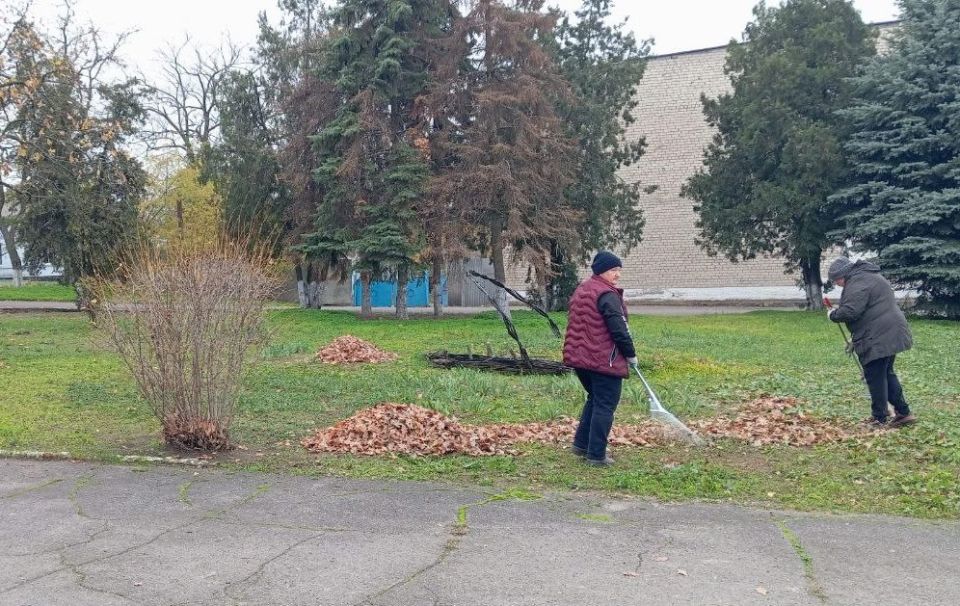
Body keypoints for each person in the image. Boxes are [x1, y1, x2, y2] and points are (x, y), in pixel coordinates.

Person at [562, 251, 638, 466]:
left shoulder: (583, 289)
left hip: (579, 358)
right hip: (603, 360)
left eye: (619, 270)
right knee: (605, 405)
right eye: (614, 270)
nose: (617, 275)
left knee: (594, 399)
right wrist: (630, 354)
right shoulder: (607, 294)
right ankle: (596, 455)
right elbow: (619, 329)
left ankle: (580, 445)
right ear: (602, 270)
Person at [827, 257, 917, 428]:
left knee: (875, 376)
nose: (837, 284)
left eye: (837, 280)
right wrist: (855, 339)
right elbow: (869, 311)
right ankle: (903, 413)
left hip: (880, 334)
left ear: (844, 275)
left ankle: (879, 418)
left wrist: (833, 314)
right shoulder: (867, 276)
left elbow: (851, 311)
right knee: (886, 374)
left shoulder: (858, 281)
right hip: (888, 331)